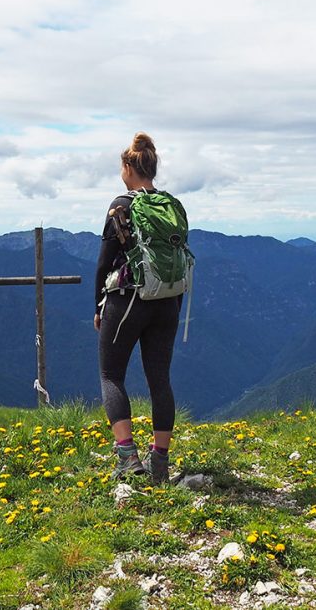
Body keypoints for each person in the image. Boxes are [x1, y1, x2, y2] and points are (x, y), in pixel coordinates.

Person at [94, 132, 184, 483]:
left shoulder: (121, 205)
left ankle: (128, 457)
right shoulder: (172, 206)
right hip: (168, 300)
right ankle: (160, 462)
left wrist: (98, 306)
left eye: (122, 167)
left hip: (128, 298)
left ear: (129, 167)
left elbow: (104, 263)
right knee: (160, 379)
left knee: (111, 375)